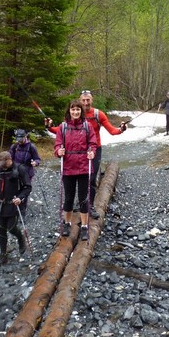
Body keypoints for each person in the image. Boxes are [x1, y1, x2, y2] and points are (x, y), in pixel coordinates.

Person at [46, 90, 127, 219]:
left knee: (91, 177)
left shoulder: (98, 114)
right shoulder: (75, 113)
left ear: (91, 100)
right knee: (76, 179)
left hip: (94, 149)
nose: (85, 103)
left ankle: (90, 206)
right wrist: (50, 127)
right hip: (77, 151)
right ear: (79, 101)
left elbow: (112, 130)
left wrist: (121, 129)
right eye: (83, 100)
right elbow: (63, 129)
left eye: (88, 100)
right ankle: (81, 203)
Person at [54, 99, 97, 241]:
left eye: (78, 109)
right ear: (69, 111)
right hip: (68, 167)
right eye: (73, 109)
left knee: (83, 199)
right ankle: (67, 223)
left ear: (81, 111)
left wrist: (92, 151)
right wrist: (58, 151)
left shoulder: (87, 126)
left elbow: (92, 143)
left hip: (84, 167)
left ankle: (84, 226)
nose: (75, 112)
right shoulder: (63, 127)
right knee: (68, 198)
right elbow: (57, 145)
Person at [0, 151, 32, 265]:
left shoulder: (20, 170)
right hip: (0, 205)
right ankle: (3, 254)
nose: (2, 166)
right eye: (1, 164)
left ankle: (20, 238)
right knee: (1, 230)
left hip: (14, 204)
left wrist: (20, 198)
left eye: (4, 163)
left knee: (11, 228)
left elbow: (27, 187)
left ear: (10, 160)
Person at [9, 129, 41, 215]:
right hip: (16, 171)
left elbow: (37, 159)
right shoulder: (14, 146)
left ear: (25, 137)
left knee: (25, 189)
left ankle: (22, 209)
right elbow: (10, 159)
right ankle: (14, 206)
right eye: (17, 139)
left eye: (21, 139)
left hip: (27, 172)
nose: (19, 141)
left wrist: (35, 162)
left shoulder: (31, 147)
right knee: (14, 188)